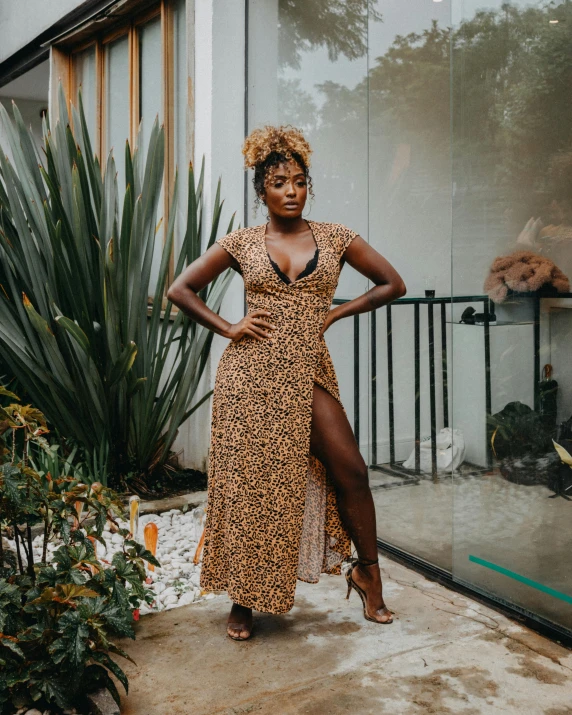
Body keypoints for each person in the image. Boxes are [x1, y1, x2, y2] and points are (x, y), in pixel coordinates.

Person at [167, 125, 406, 641]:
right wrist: (229, 326)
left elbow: (393, 284)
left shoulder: (337, 238)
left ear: (307, 186)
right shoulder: (241, 243)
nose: (291, 190)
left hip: (307, 371)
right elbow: (180, 289)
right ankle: (243, 599)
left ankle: (368, 572)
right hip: (250, 376)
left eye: (299, 181)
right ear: (262, 192)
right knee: (251, 487)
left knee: (352, 471)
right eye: (279, 182)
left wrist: (338, 314)